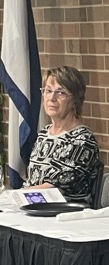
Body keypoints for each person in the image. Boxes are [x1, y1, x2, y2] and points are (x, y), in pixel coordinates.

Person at [24, 65, 100, 205]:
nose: (52, 98)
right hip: (36, 208)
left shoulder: (82, 139)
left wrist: (14, 195)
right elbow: (32, 181)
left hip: (67, 213)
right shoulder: (44, 134)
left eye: (61, 93)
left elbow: (54, 188)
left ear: (75, 100)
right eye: (48, 91)